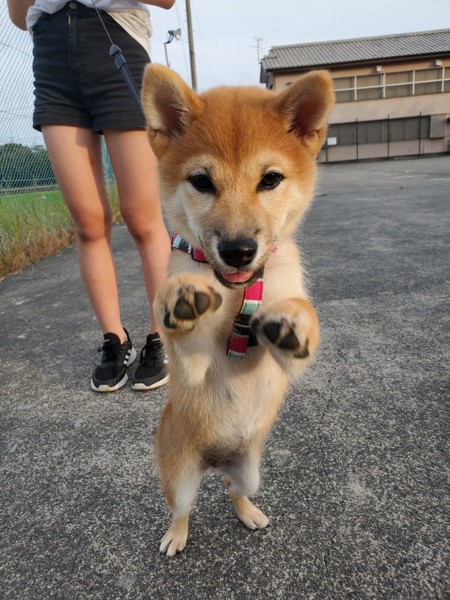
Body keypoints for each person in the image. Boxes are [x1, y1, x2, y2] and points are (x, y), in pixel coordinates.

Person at [7, 0, 175, 392]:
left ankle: (162, 337)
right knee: (88, 223)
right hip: (51, 52)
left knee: (141, 217)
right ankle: (115, 339)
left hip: (116, 37)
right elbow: (18, 17)